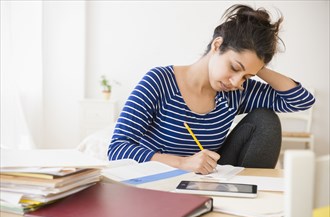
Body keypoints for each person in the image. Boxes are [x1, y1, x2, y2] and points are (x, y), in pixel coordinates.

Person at [107, 4, 315, 174]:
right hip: (158, 180)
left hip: (208, 179)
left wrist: (257, 68)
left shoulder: (236, 91)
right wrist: (182, 163)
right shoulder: (159, 81)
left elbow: (300, 101)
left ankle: (249, 197)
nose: (235, 81)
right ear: (217, 45)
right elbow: (117, 148)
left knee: (266, 120)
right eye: (234, 67)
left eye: (246, 76)